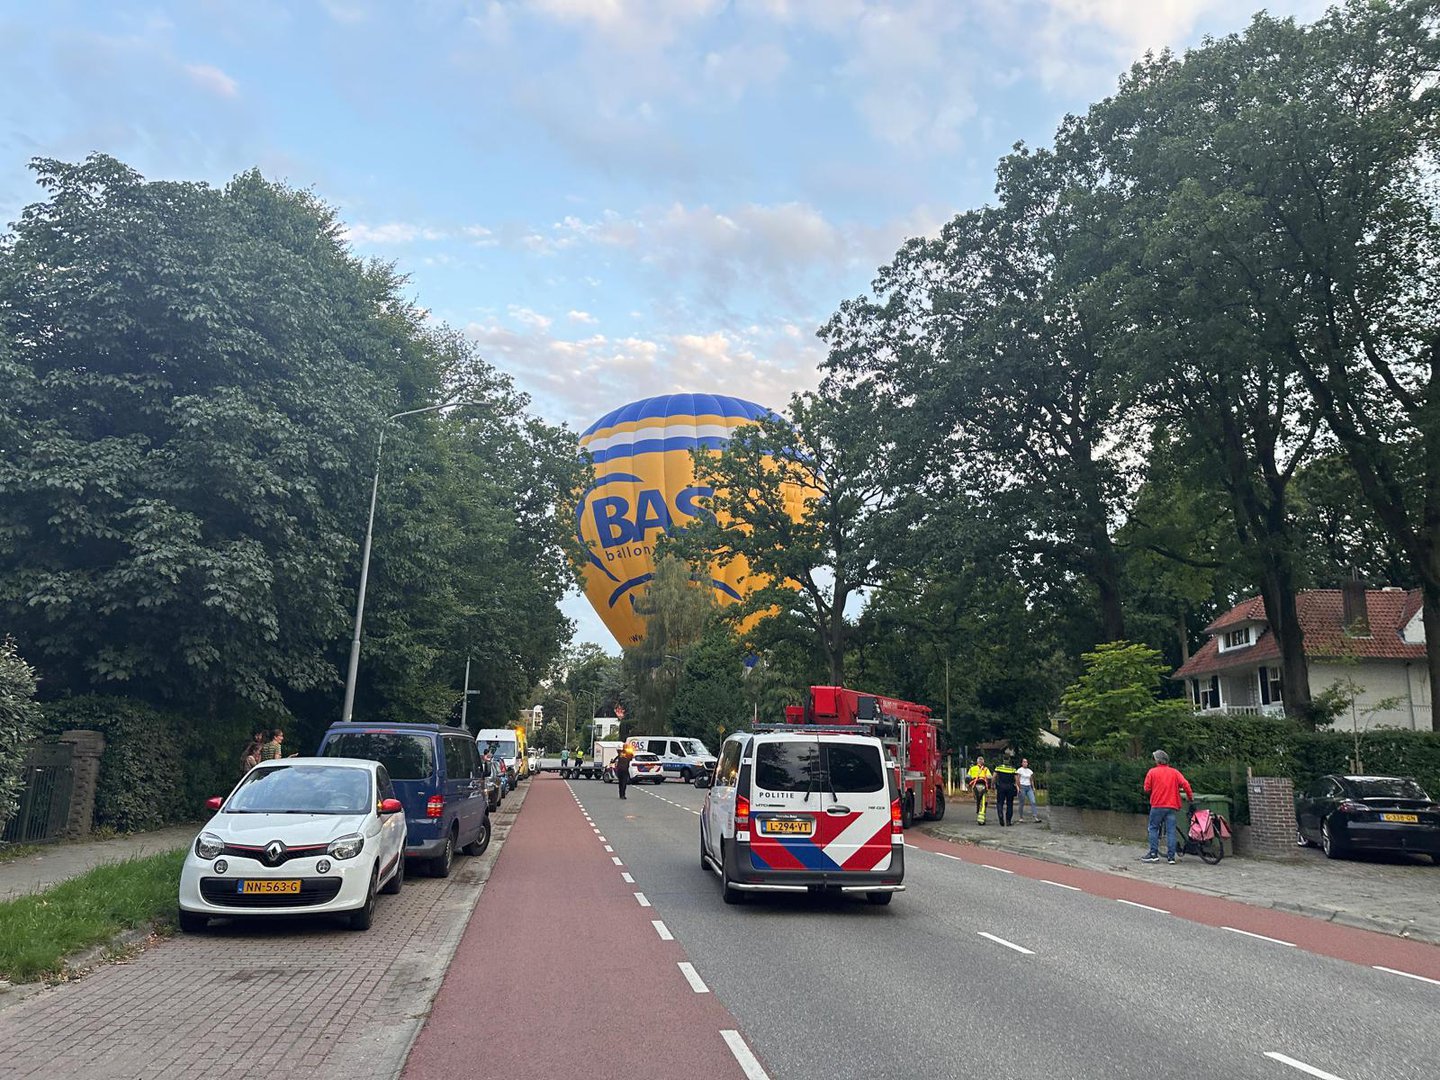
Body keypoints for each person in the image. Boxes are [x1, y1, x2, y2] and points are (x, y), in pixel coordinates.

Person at [1142, 749, 1194, 864]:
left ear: (1157, 760)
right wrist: (1190, 798)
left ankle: (1153, 854)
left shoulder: (1152, 772)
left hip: (1157, 805)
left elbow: (1146, 788)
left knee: (1153, 828)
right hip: (1172, 805)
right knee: (1171, 831)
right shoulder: (1175, 772)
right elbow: (1186, 784)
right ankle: (1171, 857)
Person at [993, 756, 1018, 826]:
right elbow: (1017, 779)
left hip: (1001, 787)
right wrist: (1018, 786)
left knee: (1000, 803)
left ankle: (1000, 814)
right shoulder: (1012, 769)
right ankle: (1008, 821)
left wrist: (992, 784)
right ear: (1009, 760)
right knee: (1010, 804)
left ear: (1003, 760)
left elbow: (994, 777)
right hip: (1010, 787)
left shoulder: (999, 768)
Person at [966, 756, 992, 824]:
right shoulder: (986, 769)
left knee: (978, 799)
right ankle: (982, 815)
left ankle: (978, 810)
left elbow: (968, 777)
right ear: (983, 762)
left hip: (975, 786)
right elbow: (989, 777)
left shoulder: (972, 768)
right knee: (983, 801)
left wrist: (968, 785)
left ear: (977, 762)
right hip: (983, 786)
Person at [1016, 757, 1041, 822]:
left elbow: (1031, 780)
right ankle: (1021, 817)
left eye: (1026, 762)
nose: (1025, 763)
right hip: (1022, 787)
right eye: (1024, 762)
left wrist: (1033, 787)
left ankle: (1035, 816)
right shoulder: (1020, 770)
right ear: (1022, 763)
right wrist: (1018, 787)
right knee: (1022, 803)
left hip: (1029, 787)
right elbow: (1018, 779)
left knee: (1033, 801)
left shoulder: (1029, 771)